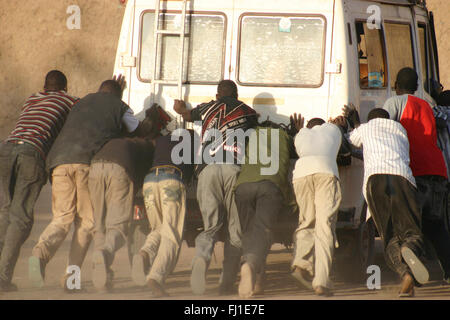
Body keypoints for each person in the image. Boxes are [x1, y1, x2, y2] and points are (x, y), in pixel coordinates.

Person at [28, 76, 141, 291]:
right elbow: (136, 129)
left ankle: (39, 253)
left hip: (58, 162)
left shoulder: (80, 102)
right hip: (85, 162)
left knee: (61, 219)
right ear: (118, 94)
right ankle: (71, 280)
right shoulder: (119, 105)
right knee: (86, 223)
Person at [173, 80, 258, 295]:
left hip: (207, 169)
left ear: (218, 94)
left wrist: (179, 107)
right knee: (234, 230)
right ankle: (226, 283)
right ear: (237, 94)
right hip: (233, 169)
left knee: (210, 227)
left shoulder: (207, 107)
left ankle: (201, 259)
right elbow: (257, 132)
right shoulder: (248, 112)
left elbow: (185, 114)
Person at [0, 71, 78, 292]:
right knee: (21, 218)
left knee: (6, 212)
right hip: (31, 153)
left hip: (6, 148)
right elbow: (87, 111)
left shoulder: (32, 98)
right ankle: (3, 277)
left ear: (44, 86)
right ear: (64, 87)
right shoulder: (67, 100)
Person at [342, 107, 430, 297]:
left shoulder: (366, 128)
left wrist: (351, 124)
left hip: (376, 180)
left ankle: (404, 273)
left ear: (370, 119)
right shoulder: (400, 130)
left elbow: (350, 141)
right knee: (411, 230)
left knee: (388, 235)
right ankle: (410, 247)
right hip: (402, 178)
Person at [88, 105, 166, 292]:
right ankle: (105, 252)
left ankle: (102, 278)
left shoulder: (120, 137)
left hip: (95, 167)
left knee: (99, 224)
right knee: (118, 226)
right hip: (119, 169)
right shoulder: (148, 145)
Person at [383, 68, 450, 281]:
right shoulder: (427, 105)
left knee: (409, 225)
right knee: (435, 225)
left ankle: (410, 267)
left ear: (396, 85)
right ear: (417, 86)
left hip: (415, 171)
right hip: (438, 170)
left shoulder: (395, 102)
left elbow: (381, 127)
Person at [234, 120, 297, 298]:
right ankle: (251, 265)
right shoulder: (285, 137)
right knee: (263, 231)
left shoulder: (250, 136)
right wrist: (295, 131)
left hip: (243, 186)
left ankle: (258, 280)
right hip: (270, 187)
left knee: (249, 232)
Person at [131, 127, 195, 298]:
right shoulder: (191, 140)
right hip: (171, 181)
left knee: (158, 228)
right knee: (171, 233)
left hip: (150, 181)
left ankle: (144, 253)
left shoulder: (161, 141)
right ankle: (156, 277)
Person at [290, 115, 347, 297]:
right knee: (324, 228)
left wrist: (299, 129)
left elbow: (302, 141)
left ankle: (300, 264)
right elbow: (346, 149)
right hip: (326, 173)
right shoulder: (332, 130)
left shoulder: (301, 135)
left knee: (306, 221)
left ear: (309, 126)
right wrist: (341, 126)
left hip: (301, 175)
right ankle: (321, 282)